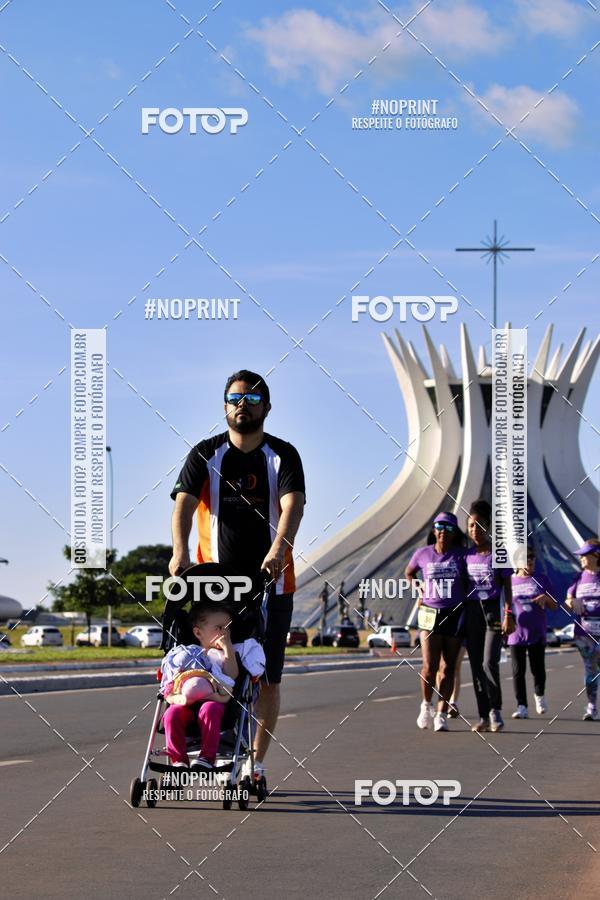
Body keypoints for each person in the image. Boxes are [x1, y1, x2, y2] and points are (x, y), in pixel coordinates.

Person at [168, 370, 306, 779]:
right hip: (216, 586)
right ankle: (208, 742)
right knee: (209, 663)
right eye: (234, 398)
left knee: (268, 677)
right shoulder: (205, 454)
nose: (242, 405)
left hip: (271, 584)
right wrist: (179, 552)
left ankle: (255, 763)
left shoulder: (283, 455)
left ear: (267, 406)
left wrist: (278, 549)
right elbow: (183, 505)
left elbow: (293, 504)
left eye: (252, 398)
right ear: (225, 406)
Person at [405, 511, 467, 732]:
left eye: (448, 528)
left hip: (454, 614)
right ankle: (426, 705)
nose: (443, 531)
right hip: (430, 613)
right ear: (434, 530)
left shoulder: (461, 555)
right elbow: (409, 573)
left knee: (448, 667)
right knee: (429, 666)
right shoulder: (423, 554)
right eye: (439, 527)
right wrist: (419, 589)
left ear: (454, 533)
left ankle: (441, 714)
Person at [161, 602, 239, 771]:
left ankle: (206, 758)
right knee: (171, 714)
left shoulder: (222, 655)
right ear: (198, 633)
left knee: (210, 709)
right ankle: (178, 761)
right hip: (184, 702)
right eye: (219, 628)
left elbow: (232, 675)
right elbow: (173, 678)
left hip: (214, 700)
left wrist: (227, 648)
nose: (225, 632)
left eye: (228, 628)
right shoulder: (186, 653)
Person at [464, 500, 514, 733]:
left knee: (488, 662)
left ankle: (496, 711)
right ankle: (483, 715)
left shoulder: (499, 553)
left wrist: (508, 614)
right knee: (476, 666)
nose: (475, 530)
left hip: (492, 611)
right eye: (471, 526)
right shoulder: (465, 555)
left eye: (480, 525)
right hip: (472, 612)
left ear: (488, 526)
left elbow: (507, 586)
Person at [509, 547, 557, 718]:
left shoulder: (541, 579)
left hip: (536, 631)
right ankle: (521, 706)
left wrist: (546, 598)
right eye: (526, 558)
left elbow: (554, 605)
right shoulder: (510, 581)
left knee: (538, 669)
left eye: (532, 558)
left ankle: (539, 696)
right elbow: (504, 604)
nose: (530, 561)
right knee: (518, 671)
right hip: (516, 633)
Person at [565, 539, 600, 721]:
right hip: (584, 633)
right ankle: (592, 706)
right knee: (590, 670)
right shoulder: (578, 578)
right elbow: (568, 599)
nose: (581, 558)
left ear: (596, 555)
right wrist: (572, 602)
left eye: (584, 555)